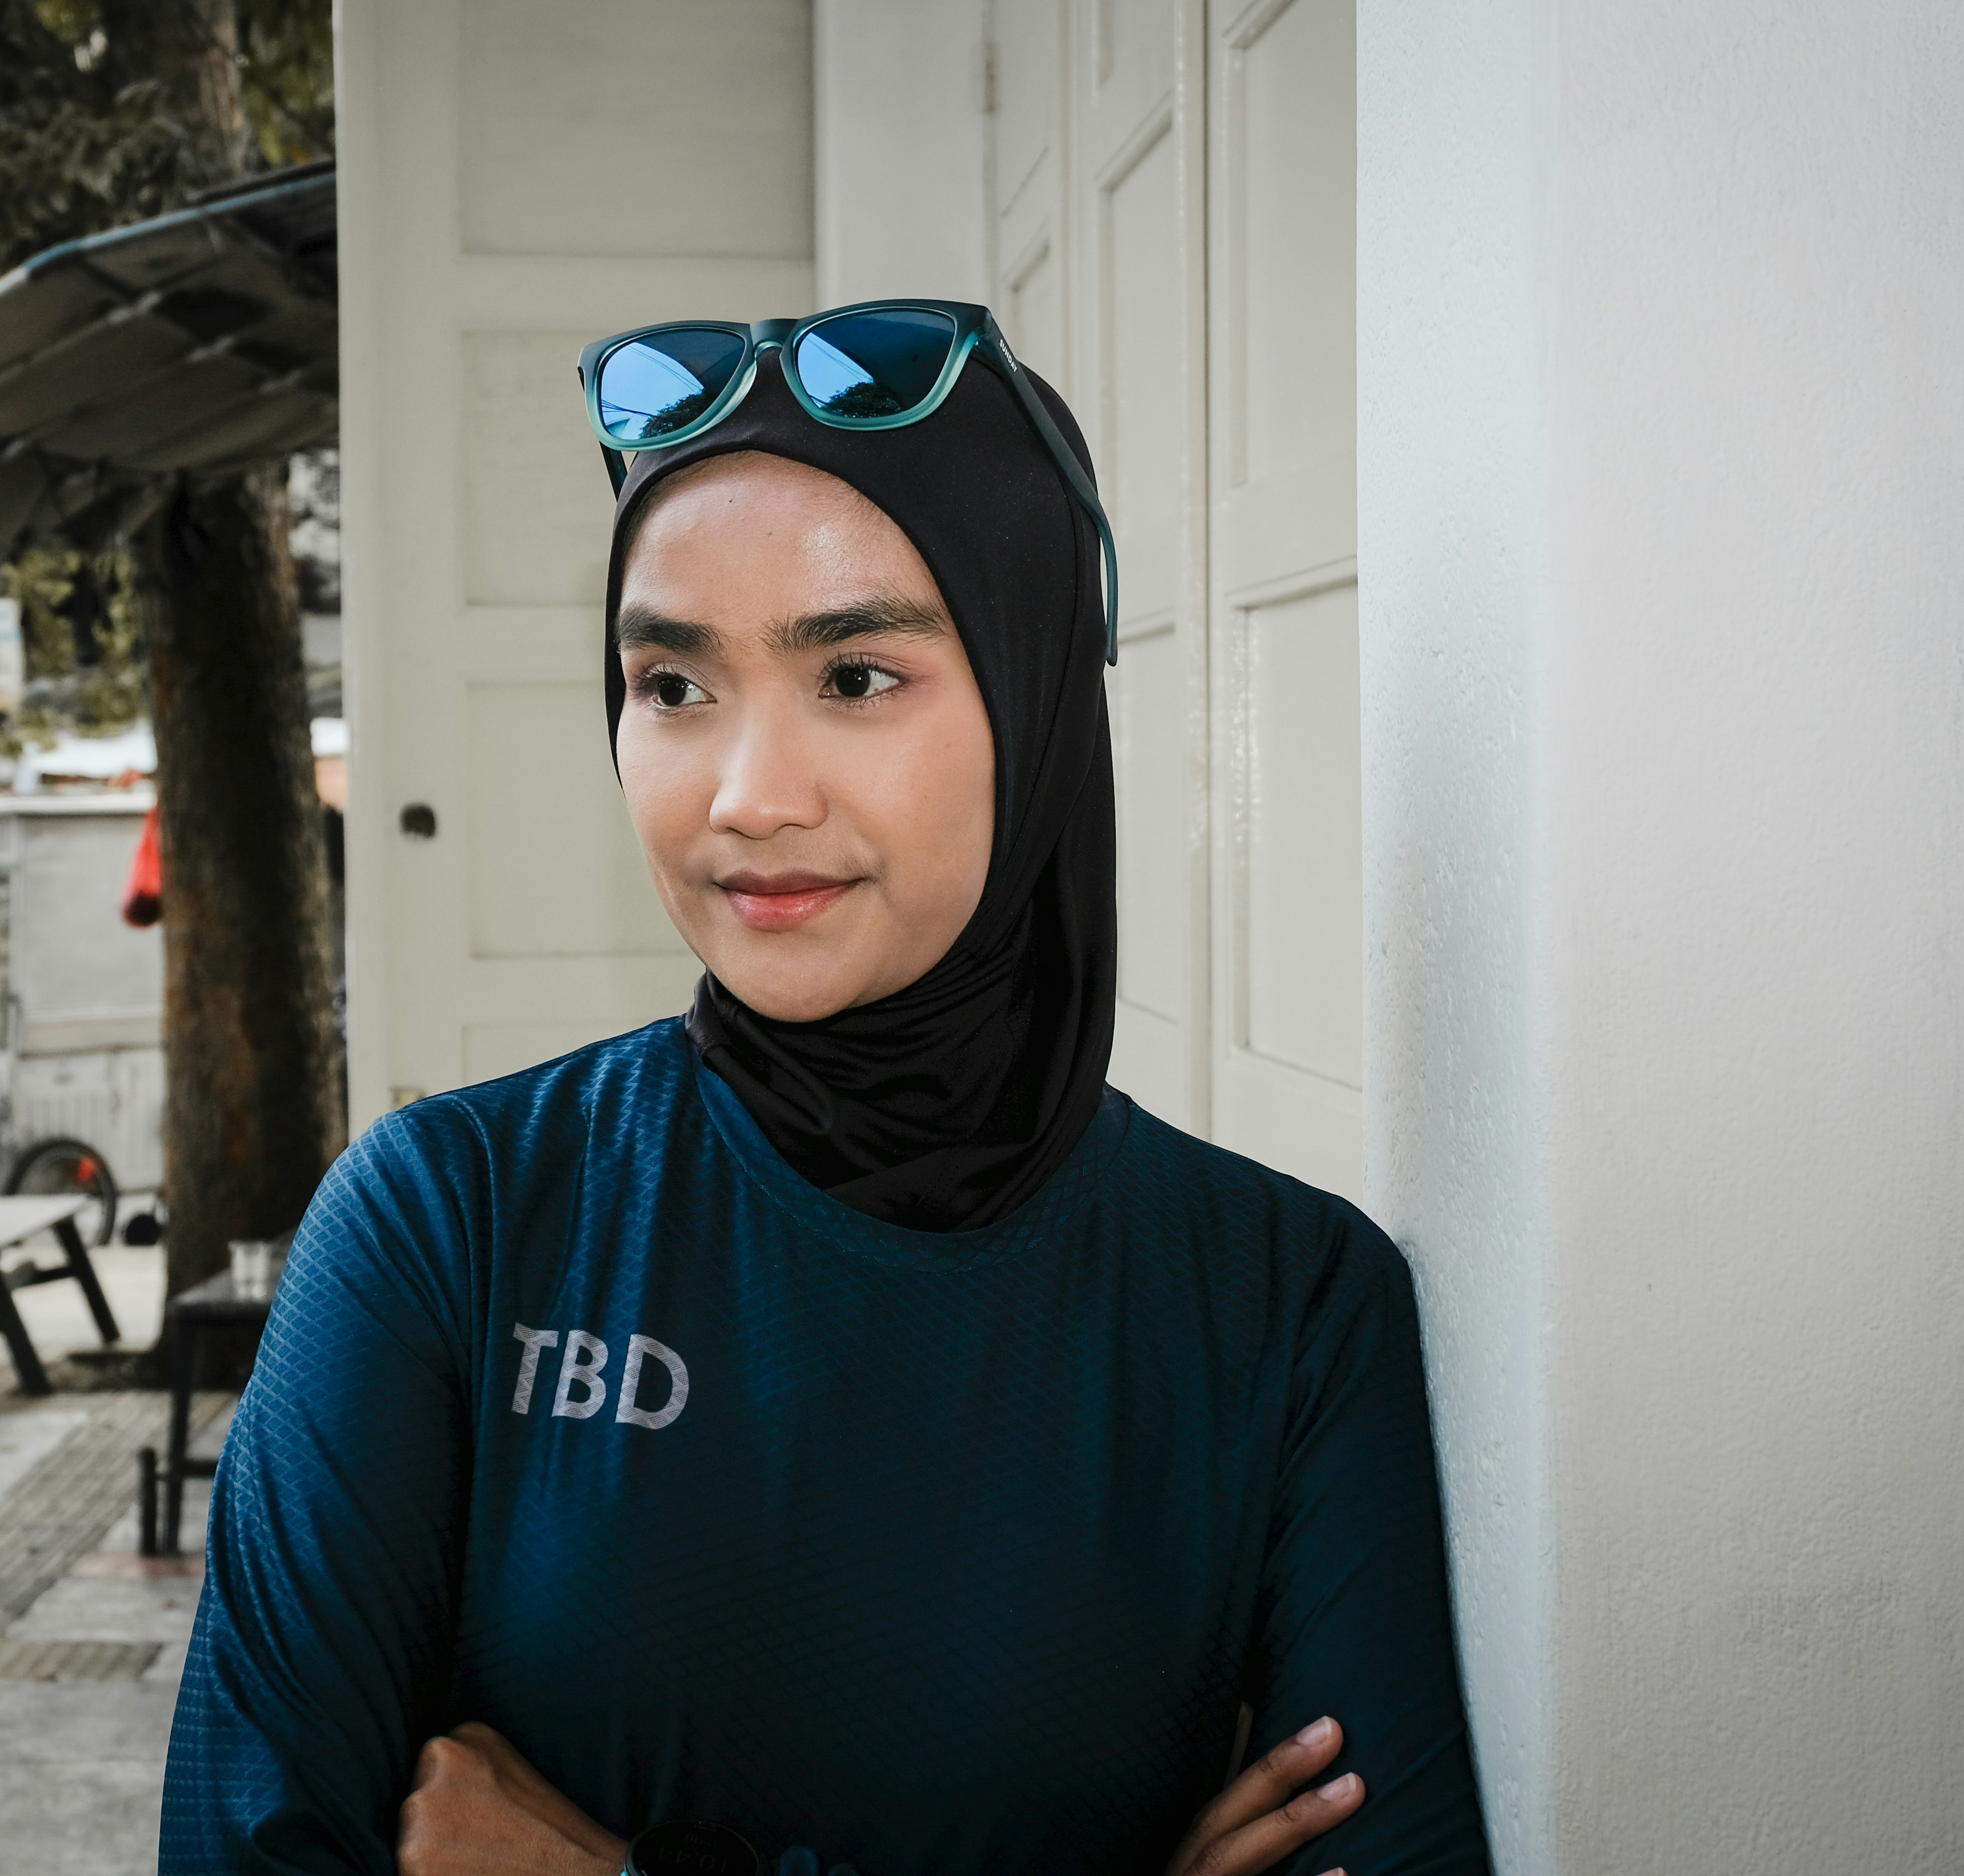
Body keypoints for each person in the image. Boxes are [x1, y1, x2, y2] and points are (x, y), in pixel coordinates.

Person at [161, 305, 1491, 1875]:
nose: (747, 797)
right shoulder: (449, 1226)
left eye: (856, 675)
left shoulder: (1286, 1310)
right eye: (671, 685)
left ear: (1040, 694)